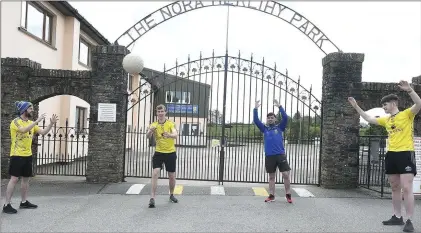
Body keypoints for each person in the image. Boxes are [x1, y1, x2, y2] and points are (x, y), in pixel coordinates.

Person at [348, 80, 419, 233]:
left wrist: (410, 90)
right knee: (394, 187)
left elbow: (419, 104)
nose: (383, 107)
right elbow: (368, 119)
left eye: (385, 105)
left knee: (407, 188)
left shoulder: (407, 114)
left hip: (406, 153)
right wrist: (356, 107)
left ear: (393, 103)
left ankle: (409, 220)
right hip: (391, 154)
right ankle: (397, 216)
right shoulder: (386, 119)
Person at [3, 101, 58, 214]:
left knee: (26, 179)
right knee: (14, 179)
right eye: (30, 108)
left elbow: (43, 132)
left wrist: (51, 124)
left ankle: (23, 202)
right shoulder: (15, 122)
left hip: (28, 155)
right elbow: (23, 130)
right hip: (17, 155)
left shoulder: (31, 123)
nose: (32, 110)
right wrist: (37, 121)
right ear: (24, 110)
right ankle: (6, 204)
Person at [253, 99, 292, 203]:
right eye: (268, 118)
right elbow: (256, 121)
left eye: (272, 118)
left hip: (280, 155)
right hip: (269, 156)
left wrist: (280, 107)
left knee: (285, 175)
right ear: (267, 120)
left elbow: (285, 117)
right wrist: (255, 109)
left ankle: (288, 194)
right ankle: (271, 195)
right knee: (271, 176)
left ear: (275, 119)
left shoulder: (280, 127)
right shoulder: (264, 129)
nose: (270, 119)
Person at [146, 104, 179, 208]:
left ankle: (171, 194)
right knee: (155, 172)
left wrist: (169, 135)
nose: (160, 113)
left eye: (162, 112)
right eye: (158, 112)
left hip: (170, 152)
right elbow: (147, 136)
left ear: (165, 112)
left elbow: (175, 134)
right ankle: (152, 198)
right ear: (157, 113)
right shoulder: (154, 124)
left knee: (172, 176)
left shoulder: (170, 124)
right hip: (159, 152)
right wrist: (151, 131)